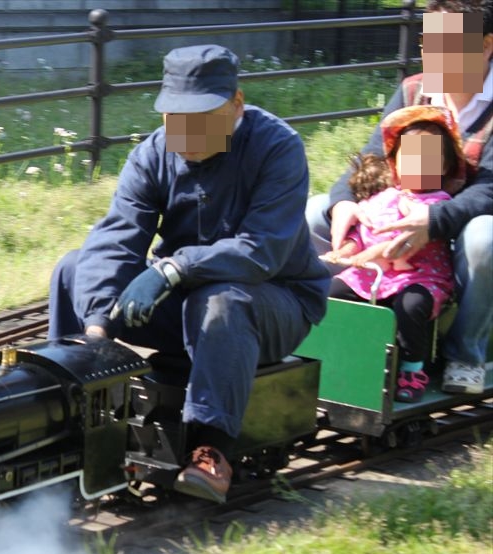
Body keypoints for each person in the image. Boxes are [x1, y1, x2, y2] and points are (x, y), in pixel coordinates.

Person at [48, 45, 330, 503]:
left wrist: (174, 269)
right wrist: (99, 328)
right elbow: (118, 236)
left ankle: (211, 448)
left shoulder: (278, 148)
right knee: (73, 267)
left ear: (236, 104)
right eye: (175, 117)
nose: (185, 131)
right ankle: (69, 406)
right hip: (185, 295)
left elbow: (261, 252)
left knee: (221, 300)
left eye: (201, 116)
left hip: (274, 302)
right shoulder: (152, 154)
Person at [306, 0, 493, 395]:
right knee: (313, 213)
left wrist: (434, 221)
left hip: (462, 225)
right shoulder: (414, 89)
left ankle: (465, 354)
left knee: (485, 238)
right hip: (401, 214)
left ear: (486, 45)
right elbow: (372, 159)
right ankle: (332, 336)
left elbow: (489, 189)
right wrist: (344, 203)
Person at [321, 106, 468, 402]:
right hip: (374, 274)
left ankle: (413, 369)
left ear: (443, 166)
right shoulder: (383, 197)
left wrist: (368, 255)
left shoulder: (436, 203)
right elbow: (362, 231)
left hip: (419, 276)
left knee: (411, 306)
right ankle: (342, 355)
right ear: (396, 164)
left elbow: (401, 243)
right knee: (332, 291)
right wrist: (344, 252)